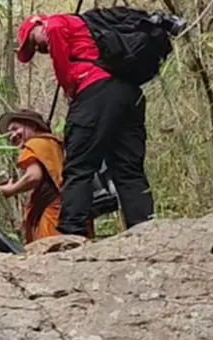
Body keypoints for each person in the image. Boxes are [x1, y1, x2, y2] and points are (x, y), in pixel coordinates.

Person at [16, 14, 154, 235]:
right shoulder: (85, 32)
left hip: (94, 91)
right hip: (127, 94)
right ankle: (144, 226)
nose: (38, 50)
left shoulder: (55, 24)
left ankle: (71, 231)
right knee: (129, 169)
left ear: (37, 24)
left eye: (33, 42)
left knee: (78, 166)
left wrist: (68, 86)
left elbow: (53, 31)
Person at [0, 108, 92, 242]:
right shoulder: (55, 144)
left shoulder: (34, 144)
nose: (12, 135)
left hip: (54, 216)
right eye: (8, 134)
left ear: (32, 125)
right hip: (73, 209)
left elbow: (33, 176)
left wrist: (11, 190)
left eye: (15, 128)